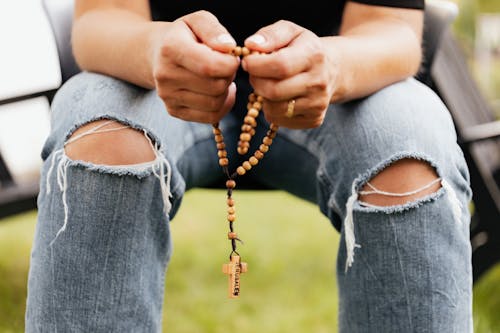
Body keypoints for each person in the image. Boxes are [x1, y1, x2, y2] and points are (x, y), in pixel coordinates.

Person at [25, 0, 473, 331]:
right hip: (155, 82)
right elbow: (100, 19)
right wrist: (154, 51)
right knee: (102, 138)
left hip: (341, 89)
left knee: (410, 150)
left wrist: (333, 66)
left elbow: (392, 28)